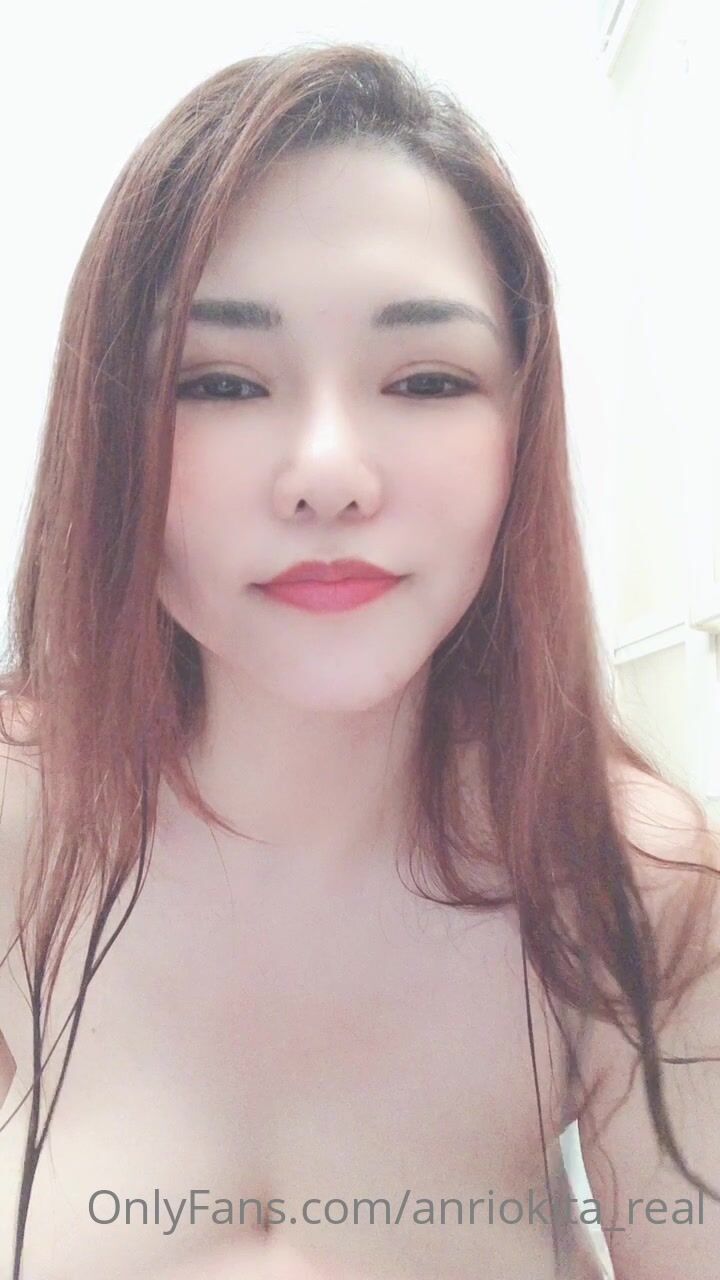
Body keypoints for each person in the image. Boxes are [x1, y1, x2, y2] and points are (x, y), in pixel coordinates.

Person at [0, 40, 718, 1280]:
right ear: (107, 429)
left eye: (427, 378)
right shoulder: (21, 814)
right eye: (220, 382)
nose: (328, 471)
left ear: (522, 426)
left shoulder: (629, 884)